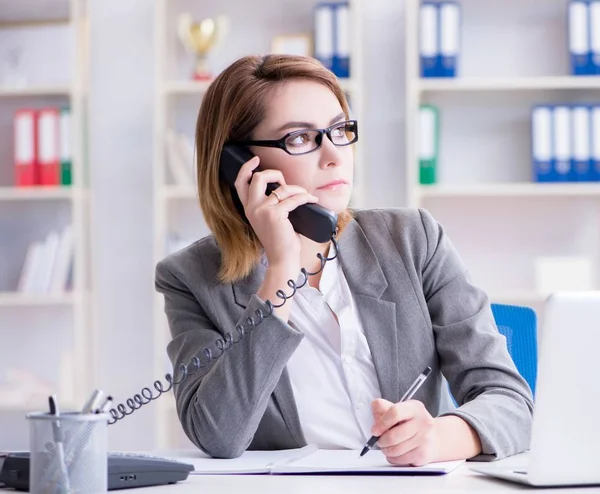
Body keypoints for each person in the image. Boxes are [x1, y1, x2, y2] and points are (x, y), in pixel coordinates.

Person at [155, 54, 533, 465]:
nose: (333, 154)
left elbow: (511, 403)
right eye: (299, 138)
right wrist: (280, 271)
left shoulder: (412, 240)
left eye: (339, 130)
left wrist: (440, 438)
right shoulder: (190, 278)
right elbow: (218, 436)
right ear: (240, 166)